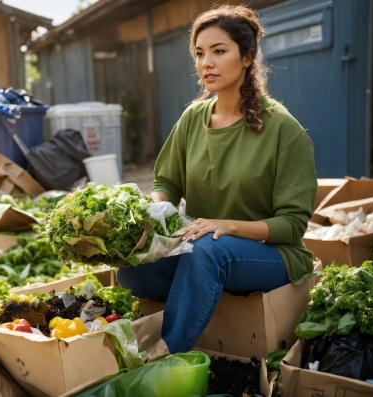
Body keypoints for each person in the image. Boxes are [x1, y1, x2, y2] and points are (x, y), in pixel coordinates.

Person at [117, 4, 317, 354]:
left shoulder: (283, 129)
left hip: (272, 256)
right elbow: (166, 182)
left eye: (219, 51)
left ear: (246, 58)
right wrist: (156, 210)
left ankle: (163, 357)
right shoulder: (193, 118)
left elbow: (293, 224)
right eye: (199, 53)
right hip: (204, 248)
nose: (206, 63)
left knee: (206, 253)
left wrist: (228, 226)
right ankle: (196, 300)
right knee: (133, 270)